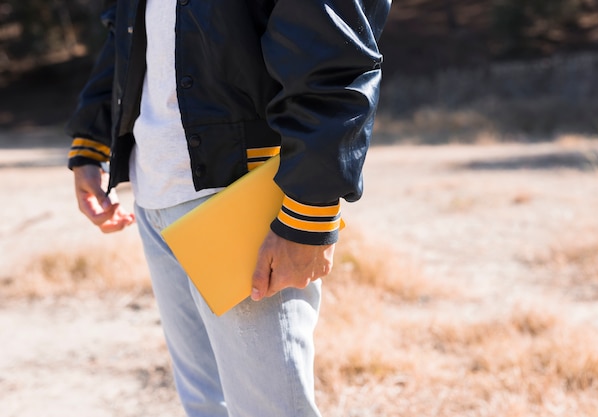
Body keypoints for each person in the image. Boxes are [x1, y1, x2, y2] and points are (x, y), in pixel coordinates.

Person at [66, 0, 390, 416]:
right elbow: (126, 29)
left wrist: (310, 211)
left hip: (242, 193)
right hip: (154, 189)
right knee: (205, 404)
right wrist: (91, 142)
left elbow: (334, 54)